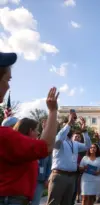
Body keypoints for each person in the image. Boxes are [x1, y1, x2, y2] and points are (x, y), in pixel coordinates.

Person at [0, 52, 59, 205]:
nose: (8, 86)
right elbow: (46, 146)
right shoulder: (5, 137)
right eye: (7, 79)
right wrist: (53, 111)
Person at [47, 116, 92, 205]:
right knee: (53, 202)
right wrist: (68, 124)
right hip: (59, 175)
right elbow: (60, 137)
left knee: (67, 202)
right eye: (66, 125)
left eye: (69, 125)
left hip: (72, 177)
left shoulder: (74, 144)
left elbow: (88, 146)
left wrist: (84, 131)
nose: (69, 127)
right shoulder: (59, 141)